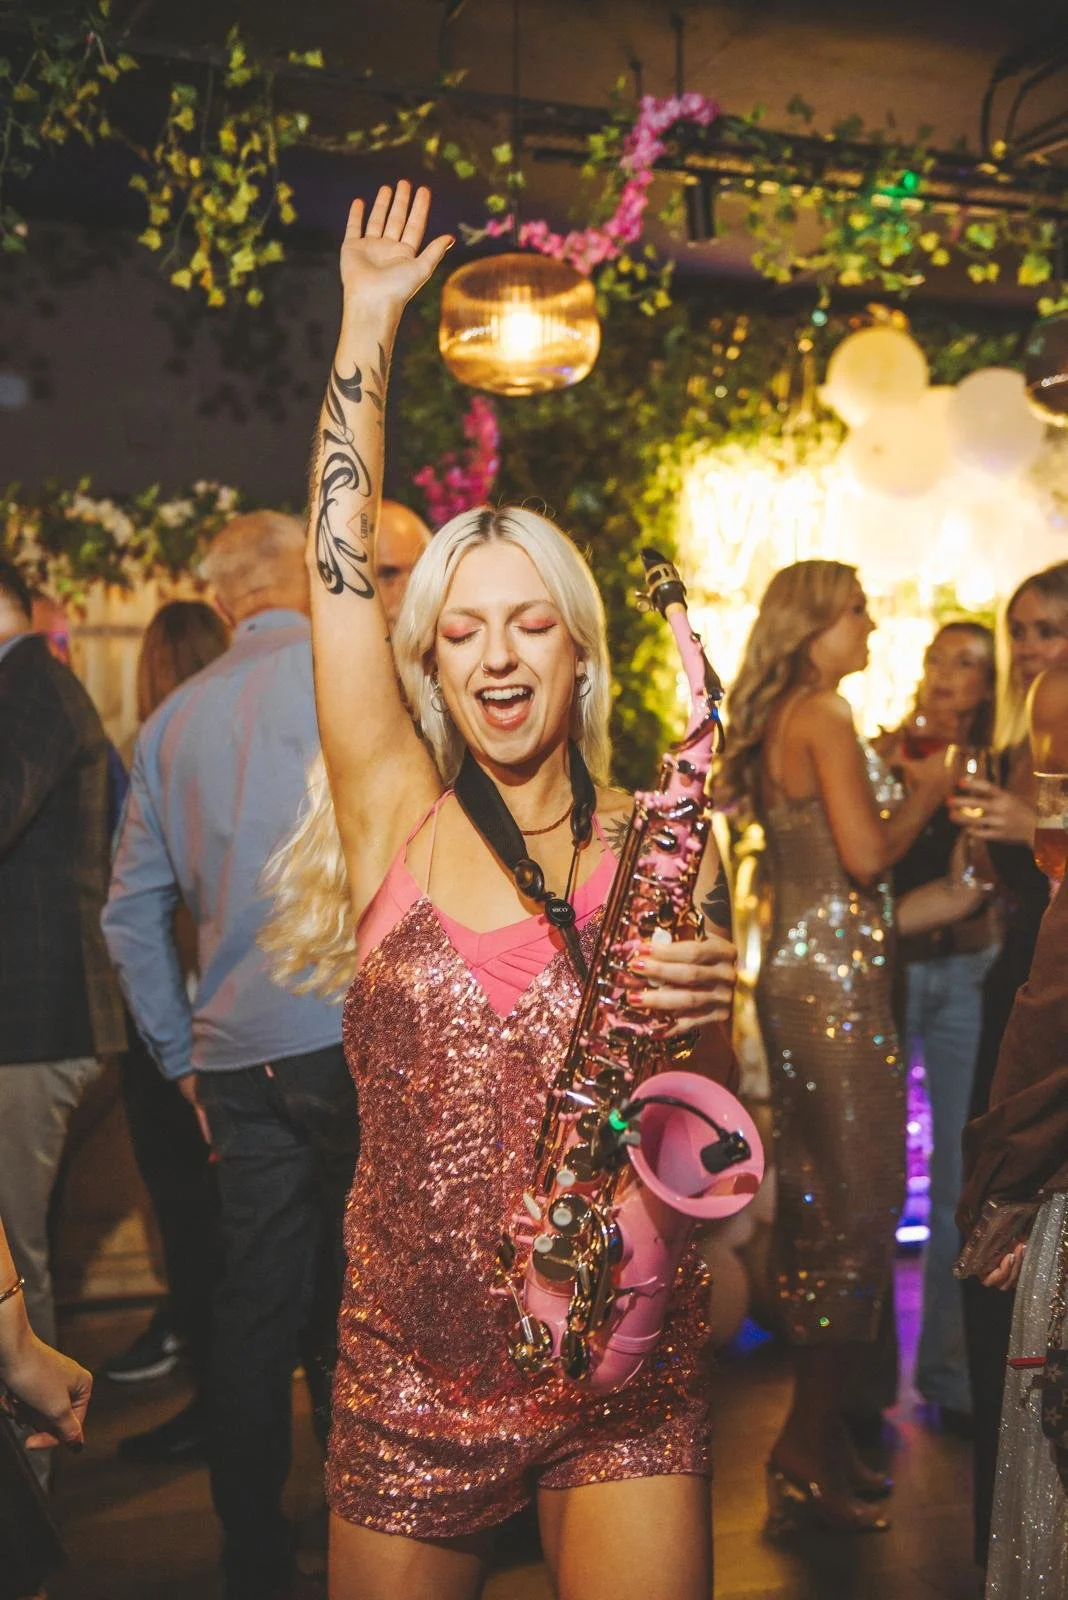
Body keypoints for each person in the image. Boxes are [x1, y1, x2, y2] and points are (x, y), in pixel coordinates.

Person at [272, 180, 738, 1600]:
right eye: (461, 631)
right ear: (427, 665)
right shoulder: (393, 814)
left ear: (581, 652)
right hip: (410, 1374)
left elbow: (710, 1141)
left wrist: (716, 1009)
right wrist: (368, 323)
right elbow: (340, 574)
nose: (495, 655)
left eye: (529, 621)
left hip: (625, 1372)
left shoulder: (666, 843)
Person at [102, 517, 359, 1600]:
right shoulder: (354, 683)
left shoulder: (165, 725)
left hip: (237, 1054)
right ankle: (385, 1531)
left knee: (253, 1305)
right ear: (307, 576)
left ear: (220, 607)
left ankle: (252, 1549)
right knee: (368, 1300)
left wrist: (183, 1060)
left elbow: (127, 917)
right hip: (351, 1037)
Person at [719, 560, 978, 1534]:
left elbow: (839, 894)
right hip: (834, 990)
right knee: (858, 1218)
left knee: (829, 1209)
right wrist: (932, 784)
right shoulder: (822, 713)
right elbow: (867, 857)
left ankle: (820, 1437)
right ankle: (799, 1436)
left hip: (813, 970)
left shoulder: (788, 715)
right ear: (818, 620)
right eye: (860, 609)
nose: (871, 624)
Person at [952, 561, 1068, 1565]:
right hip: (1015, 999)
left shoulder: (1058, 723)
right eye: (1022, 629)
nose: (1033, 648)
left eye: (1051, 630)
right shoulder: (1016, 732)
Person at [0, 560, 126, 1460]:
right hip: (37, 1018)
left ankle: (26, 1509)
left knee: (12, 1259)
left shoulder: (29, 684)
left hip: (35, 1020)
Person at [102, 601, 230, 1464]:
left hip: (172, 1042)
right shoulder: (245, 749)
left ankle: (215, 1420)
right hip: (244, 1025)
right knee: (244, 1245)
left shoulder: (151, 751)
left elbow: (128, 917)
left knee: (195, 1237)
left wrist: (173, 1059)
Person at [877, 622, 1000, 1425]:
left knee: (959, 1174)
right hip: (889, 970)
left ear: (987, 688)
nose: (946, 675)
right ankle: (866, 1391)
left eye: (967, 665)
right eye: (937, 658)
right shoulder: (883, 752)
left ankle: (951, 1380)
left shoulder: (995, 769)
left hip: (965, 971)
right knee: (877, 1177)